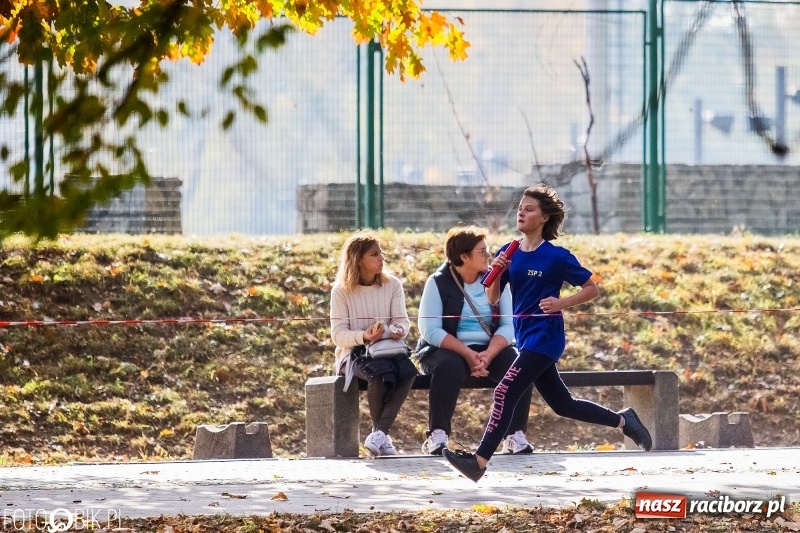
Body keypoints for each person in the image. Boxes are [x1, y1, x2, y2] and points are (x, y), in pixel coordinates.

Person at [443, 184, 652, 482]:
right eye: (520, 208)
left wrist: (560, 303)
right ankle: (624, 420)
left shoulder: (557, 257)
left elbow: (592, 288)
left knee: (504, 391)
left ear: (543, 218)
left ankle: (479, 461)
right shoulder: (508, 252)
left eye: (529, 209)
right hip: (525, 337)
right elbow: (492, 298)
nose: (521, 213)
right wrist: (498, 272)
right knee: (562, 404)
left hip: (546, 337)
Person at [416, 226, 534, 456]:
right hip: (447, 348)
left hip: (490, 348)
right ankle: (437, 435)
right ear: (464, 256)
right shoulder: (438, 282)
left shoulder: (496, 279)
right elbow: (429, 330)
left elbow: (509, 325)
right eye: (482, 251)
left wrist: (488, 355)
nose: (488, 255)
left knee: (520, 366)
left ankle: (515, 435)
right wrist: (468, 354)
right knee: (448, 366)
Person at [330, 231, 417, 456]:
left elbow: (402, 321)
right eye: (374, 254)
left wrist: (396, 330)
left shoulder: (392, 285)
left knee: (408, 372)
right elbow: (338, 335)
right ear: (358, 259)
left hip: (388, 347)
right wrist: (365, 336)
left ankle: (379, 433)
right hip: (355, 352)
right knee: (379, 373)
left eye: (381, 253)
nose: (381, 258)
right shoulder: (341, 292)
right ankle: (382, 435)